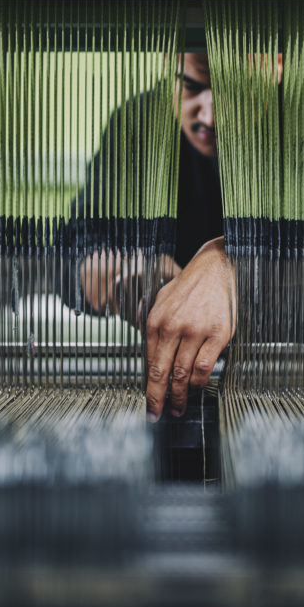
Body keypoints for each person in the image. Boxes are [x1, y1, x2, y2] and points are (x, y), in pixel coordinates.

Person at [62, 53, 236, 423]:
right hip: (162, 378)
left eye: (230, 90)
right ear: (167, 63)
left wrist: (230, 268)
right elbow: (73, 252)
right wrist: (124, 272)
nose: (208, 115)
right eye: (191, 87)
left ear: (275, 66)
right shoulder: (136, 124)